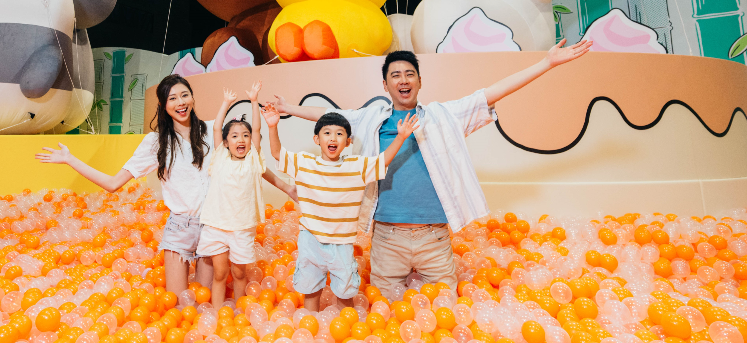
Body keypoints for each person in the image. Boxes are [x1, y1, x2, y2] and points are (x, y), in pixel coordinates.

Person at [273, 39, 593, 293]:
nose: (403, 80)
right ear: (385, 85)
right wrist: (288, 108)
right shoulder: (371, 119)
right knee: (387, 315)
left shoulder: (444, 116)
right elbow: (329, 117)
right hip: (387, 238)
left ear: (419, 81)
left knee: (444, 311)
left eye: (409, 73)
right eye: (395, 75)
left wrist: (547, 63)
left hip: (434, 237)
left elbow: (492, 93)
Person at [36, 74, 297, 297]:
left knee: (204, 302)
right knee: (177, 302)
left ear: (192, 98)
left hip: (213, 226)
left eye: (184, 95)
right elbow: (113, 184)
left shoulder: (212, 131)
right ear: (163, 105)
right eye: (172, 98)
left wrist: (288, 188)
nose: (180, 102)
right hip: (179, 228)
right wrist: (70, 159)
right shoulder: (156, 143)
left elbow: (249, 164)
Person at [263, 103, 417, 311]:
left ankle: (346, 322)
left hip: (342, 243)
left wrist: (401, 137)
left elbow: (383, 161)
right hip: (311, 239)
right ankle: (310, 320)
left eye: (339, 133)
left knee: (345, 291)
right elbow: (277, 153)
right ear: (317, 139)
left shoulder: (356, 166)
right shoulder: (305, 163)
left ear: (348, 141)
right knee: (310, 289)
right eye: (327, 133)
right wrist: (273, 126)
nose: (333, 138)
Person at [198, 82, 267, 308]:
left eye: (245, 135)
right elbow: (217, 128)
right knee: (220, 273)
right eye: (235, 136)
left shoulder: (252, 160)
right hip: (217, 225)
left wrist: (254, 101)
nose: (241, 139)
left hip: (242, 227)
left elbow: (257, 130)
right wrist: (226, 103)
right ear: (226, 143)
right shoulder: (220, 158)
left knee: (238, 273)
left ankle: (239, 312)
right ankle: (218, 313)